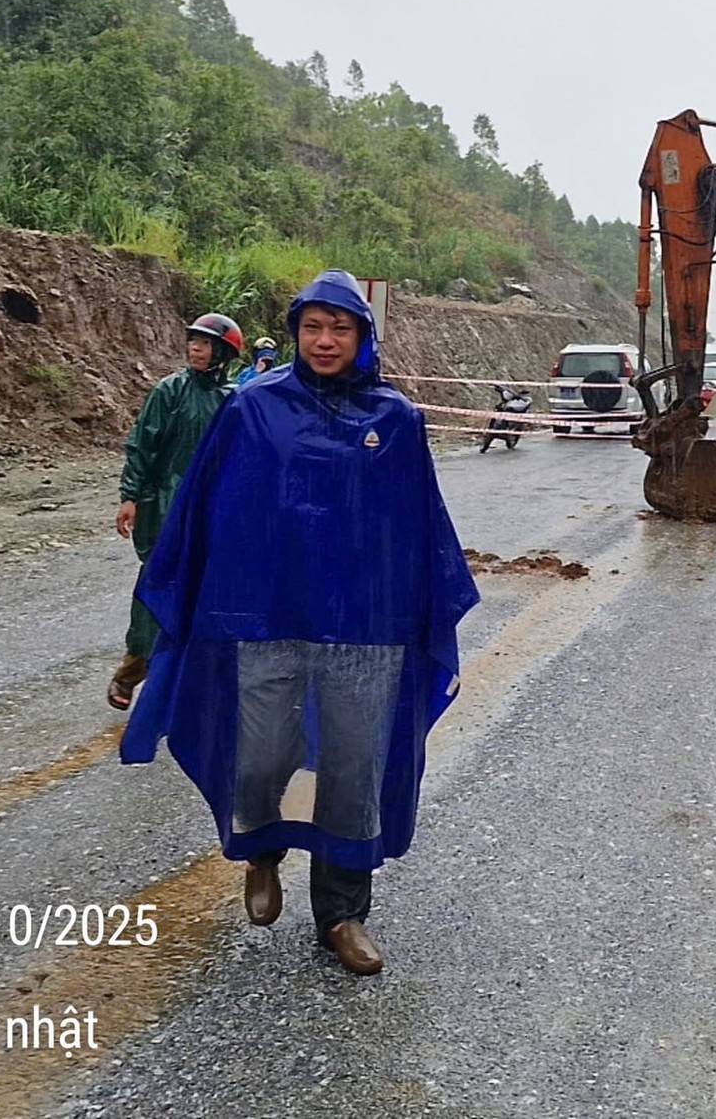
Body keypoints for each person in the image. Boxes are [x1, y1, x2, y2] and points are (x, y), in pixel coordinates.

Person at [122, 270, 479, 975]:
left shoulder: (396, 420)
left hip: (363, 624)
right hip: (265, 612)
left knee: (352, 767)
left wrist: (422, 612)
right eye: (313, 327)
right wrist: (190, 587)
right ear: (295, 333)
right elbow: (207, 505)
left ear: (362, 336)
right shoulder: (254, 409)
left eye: (339, 328)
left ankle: (342, 915)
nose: (324, 340)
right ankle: (261, 852)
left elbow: (417, 526)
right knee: (261, 753)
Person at [109, 312, 241, 709]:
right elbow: (142, 446)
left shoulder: (231, 401)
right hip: (164, 509)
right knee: (156, 592)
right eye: (193, 342)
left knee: (208, 598)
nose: (196, 349)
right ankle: (130, 674)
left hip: (211, 514)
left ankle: (193, 688)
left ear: (223, 352)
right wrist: (130, 496)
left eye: (205, 343)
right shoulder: (170, 392)